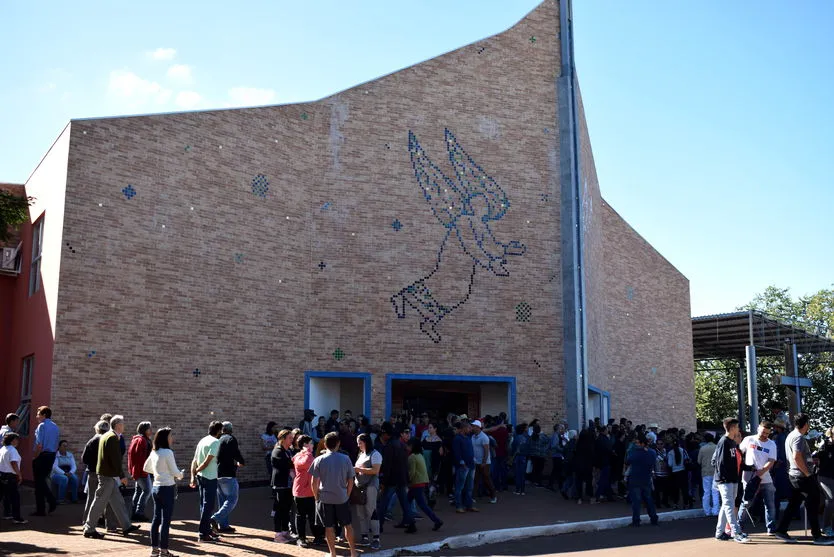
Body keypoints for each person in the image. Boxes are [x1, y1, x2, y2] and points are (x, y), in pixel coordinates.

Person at [773, 413, 834, 545]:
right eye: (809, 423)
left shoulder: (791, 435)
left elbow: (797, 457)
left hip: (794, 475)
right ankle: (817, 536)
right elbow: (796, 457)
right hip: (801, 476)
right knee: (813, 502)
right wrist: (807, 473)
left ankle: (781, 530)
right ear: (806, 424)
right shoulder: (798, 437)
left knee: (794, 503)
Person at [83, 415, 139, 539]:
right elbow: (115, 459)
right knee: (99, 501)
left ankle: (126, 526)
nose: (124, 426)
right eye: (123, 424)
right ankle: (89, 528)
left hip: (107, 474)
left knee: (117, 501)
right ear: (118, 425)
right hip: (107, 475)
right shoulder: (113, 438)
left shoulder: (106, 435)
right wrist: (122, 476)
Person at [310, 432, 358, 557]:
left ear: (325, 444)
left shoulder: (318, 460)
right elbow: (351, 480)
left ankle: (332, 554)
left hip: (325, 498)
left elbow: (313, 482)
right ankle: (353, 552)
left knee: (329, 527)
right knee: (348, 525)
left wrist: (316, 497)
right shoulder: (345, 458)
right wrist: (347, 494)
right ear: (338, 444)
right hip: (341, 497)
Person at [143, 427, 183, 557]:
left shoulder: (155, 452)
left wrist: (158, 473)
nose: (172, 438)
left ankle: (154, 550)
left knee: (156, 519)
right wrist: (181, 475)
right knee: (166, 521)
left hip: (156, 487)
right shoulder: (168, 452)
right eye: (171, 436)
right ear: (165, 438)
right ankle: (164, 551)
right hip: (167, 488)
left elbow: (146, 467)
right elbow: (175, 471)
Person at [737, 421, 777, 535]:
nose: (764, 435)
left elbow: (771, 461)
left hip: (765, 477)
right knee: (746, 502)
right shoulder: (749, 439)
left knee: (770, 504)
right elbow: (739, 453)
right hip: (749, 477)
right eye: (763, 432)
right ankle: (739, 526)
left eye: (767, 433)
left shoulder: (771, 444)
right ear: (758, 428)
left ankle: (771, 528)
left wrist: (762, 471)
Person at [712, 417, 748, 543]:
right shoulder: (724, 442)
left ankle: (719, 532)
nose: (738, 429)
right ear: (732, 428)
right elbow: (719, 462)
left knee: (726, 506)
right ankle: (736, 533)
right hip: (725, 480)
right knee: (729, 506)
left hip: (732, 479)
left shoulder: (732, 442)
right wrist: (724, 478)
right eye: (737, 427)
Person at [377, 422, 415, 532]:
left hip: (392, 479)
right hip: (401, 478)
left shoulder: (389, 446)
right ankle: (412, 524)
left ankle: (379, 526)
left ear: (386, 434)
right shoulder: (401, 445)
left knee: (384, 502)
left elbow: (387, 465)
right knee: (404, 503)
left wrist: (384, 481)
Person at [189, 420, 223, 543]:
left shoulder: (202, 440)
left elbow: (194, 460)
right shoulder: (215, 442)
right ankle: (203, 534)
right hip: (210, 478)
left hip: (201, 477)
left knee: (204, 505)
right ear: (219, 431)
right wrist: (197, 471)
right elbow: (206, 462)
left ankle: (207, 530)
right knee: (208, 506)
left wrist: (193, 475)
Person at [211, 421, 245, 534]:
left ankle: (224, 525)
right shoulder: (231, 439)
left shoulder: (217, 440)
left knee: (222, 500)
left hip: (218, 473)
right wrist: (241, 461)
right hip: (228, 473)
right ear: (231, 429)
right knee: (232, 499)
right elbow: (236, 452)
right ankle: (215, 518)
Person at [293, 435, 324, 548]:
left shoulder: (309, 455)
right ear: (305, 445)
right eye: (311, 443)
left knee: (313, 516)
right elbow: (307, 463)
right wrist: (307, 452)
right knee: (301, 516)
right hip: (301, 491)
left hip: (311, 490)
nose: (313, 444)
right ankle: (301, 538)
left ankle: (318, 537)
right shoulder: (299, 456)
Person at [353, 433, 382, 550]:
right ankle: (364, 536)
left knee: (371, 511)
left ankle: (376, 538)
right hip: (359, 486)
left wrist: (359, 469)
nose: (358, 445)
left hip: (370, 486)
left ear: (366, 442)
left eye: (360, 443)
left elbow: (375, 470)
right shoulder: (361, 454)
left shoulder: (375, 454)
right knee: (361, 513)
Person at [407, 438, 443, 531]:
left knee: (420, 505)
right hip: (421, 482)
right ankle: (409, 523)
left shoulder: (412, 457)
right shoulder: (419, 455)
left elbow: (412, 473)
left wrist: (407, 482)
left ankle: (436, 520)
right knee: (408, 503)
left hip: (416, 483)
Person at [31, 405, 60, 516]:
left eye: (38, 414)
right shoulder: (55, 426)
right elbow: (57, 443)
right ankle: (41, 509)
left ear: (44, 415)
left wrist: (35, 457)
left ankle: (50, 500)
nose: (37, 416)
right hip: (51, 455)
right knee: (41, 481)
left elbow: (39, 445)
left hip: (42, 456)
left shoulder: (41, 426)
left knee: (39, 482)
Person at [81, 420, 110, 528]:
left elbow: (84, 458)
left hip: (92, 472)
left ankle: (86, 521)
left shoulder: (92, 440)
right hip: (105, 473)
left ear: (97, 429)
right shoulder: (109, 440)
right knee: (107, 498)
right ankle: (108, 523)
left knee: (91, 497)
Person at [626, 434, 658, 527]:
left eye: (637, 442)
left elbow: (628, 461)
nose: (636, 444)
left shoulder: (634, 453)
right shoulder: (652, 452)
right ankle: (653, 518)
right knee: (649, 500)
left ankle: (636, 521)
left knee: (636, 501)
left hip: (635, 479)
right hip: (647, 479)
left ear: (641, 443)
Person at [270, 429, 294, 543]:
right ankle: (278, 534)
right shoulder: (277, 451)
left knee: (286, 509)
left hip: (288, 485)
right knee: (279, 509)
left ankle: (285, 532)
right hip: (280, 485)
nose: (292, 440)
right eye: (290, 438)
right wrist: (291, 467)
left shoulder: (288, 451)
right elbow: (285, 465)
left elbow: (291, 464)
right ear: (283, 439)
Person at [128, 421, 153, 521]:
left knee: (138, 491)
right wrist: (144, 470)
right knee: (147, 490)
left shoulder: (140, 439)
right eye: (149, 428)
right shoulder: (141, 440)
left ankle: (134, 513)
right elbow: (140, 458)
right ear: (144, 430)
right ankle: (139, 512)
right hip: (142, 471)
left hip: (138, 470)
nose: (151, 430)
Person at [0, 432, 27, 524]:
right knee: (15, 498)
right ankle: (17, 518)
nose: (18, 441)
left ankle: (7, 514)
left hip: (2, 474)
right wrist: (19, 475)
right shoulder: (12, 450)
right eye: (16, 439)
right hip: (10, 476)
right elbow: (14, 463)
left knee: (5, 496)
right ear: (12, 440)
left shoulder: (3, 449)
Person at [470, 420, 497, 504]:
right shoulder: (473, 436)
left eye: (474, 426)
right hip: (475, 461)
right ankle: (473, 497)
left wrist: (484, 462)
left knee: (486, 479)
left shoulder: (484, 437)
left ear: (478, 427)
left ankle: (493, 496)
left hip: (484, 462)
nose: (472, 428)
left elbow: (486, 450)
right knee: (475, 479)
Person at [452, 421, 477, 513]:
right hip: (463, 466)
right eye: (469, 428)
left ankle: (468, 505)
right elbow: (457, 453)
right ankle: (459, 505)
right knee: (460, 487)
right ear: (463, 428)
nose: (470, 429)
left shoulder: (468, 438)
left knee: (469, 487)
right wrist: (462, 463)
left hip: (470, 465)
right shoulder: (457, 439)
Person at [814, 426, 834, 537]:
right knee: (831, 500)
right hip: (824, 477)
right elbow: (814, 457)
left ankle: (831, 527)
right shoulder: (824, 445)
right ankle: (826, 527)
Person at [697, 432, 719, 516]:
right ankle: (715, 510)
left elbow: (699, 461)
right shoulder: (717, 447)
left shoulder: (702, 448)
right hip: (716, 472)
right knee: (715, 492)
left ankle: (707, 511)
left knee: (706, 492)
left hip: (705, 472)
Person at [51, 440, 79, 504]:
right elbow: (55, 467)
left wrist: (71, 473)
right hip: (56, 474)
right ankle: (61, 500)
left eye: (66, 446)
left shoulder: (70, 455)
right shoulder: (56, 455)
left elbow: (74, 466)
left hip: (68, 473)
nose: (65, 447)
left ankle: (74, 498)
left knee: (75, 478)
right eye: (63, 446)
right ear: (59, 447)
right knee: (64, 478)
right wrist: (64, 473)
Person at [666, 438, 691, 509]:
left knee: (675, 490)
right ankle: (686, 504)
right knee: (684, 489)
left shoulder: (670, 452)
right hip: (683, 472)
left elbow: (670, 464)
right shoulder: (683, 450)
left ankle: (675, 504)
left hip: (674, 473)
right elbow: (687, 459)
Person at [511, 423, 529, 496]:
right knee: (522, 474)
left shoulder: (517, 438)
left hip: (517, 457)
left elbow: (513, 448)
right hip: (524, 457)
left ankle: (518, 490)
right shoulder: (527, 438)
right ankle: (523, 490)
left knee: (518, 474)